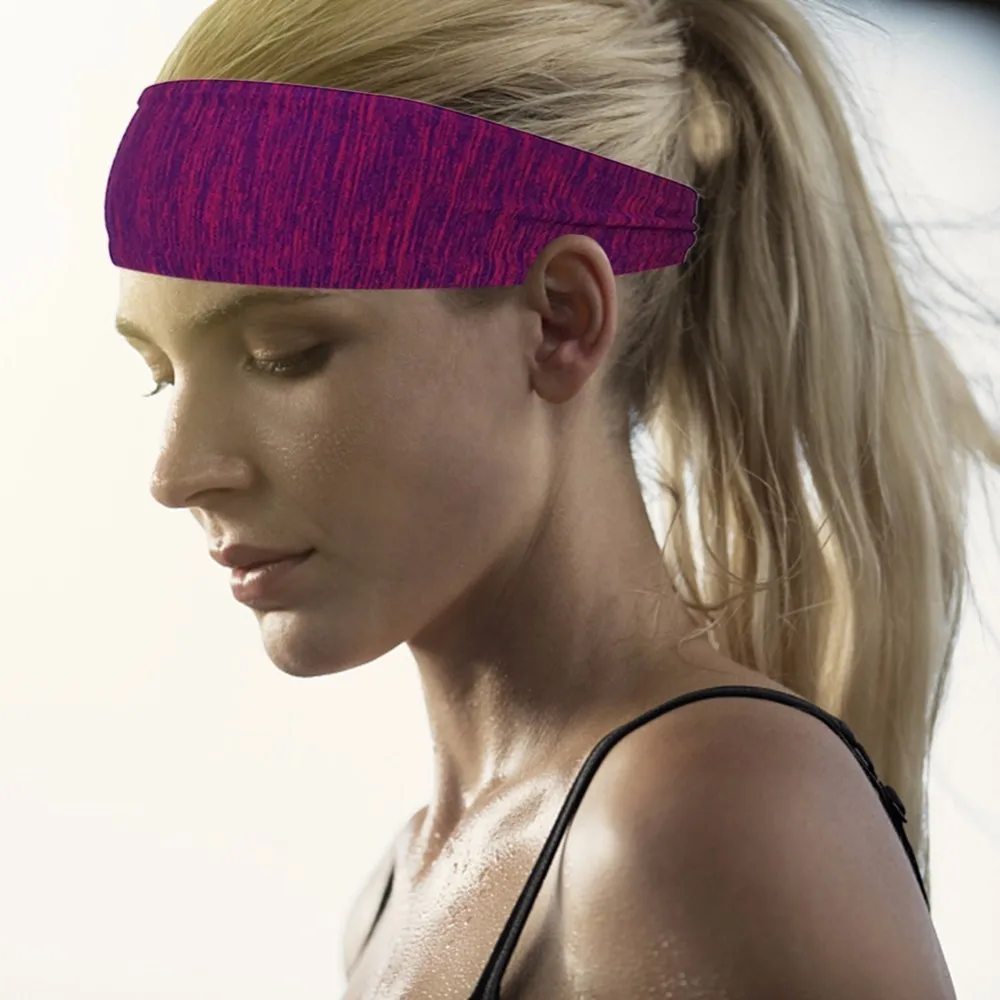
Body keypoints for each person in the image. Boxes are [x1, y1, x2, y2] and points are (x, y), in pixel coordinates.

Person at [112, 0, 998, 996]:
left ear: (559, 320)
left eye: (283, 354)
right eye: (159, 374)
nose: (177, 472)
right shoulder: (396, 894)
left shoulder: (703, 811)